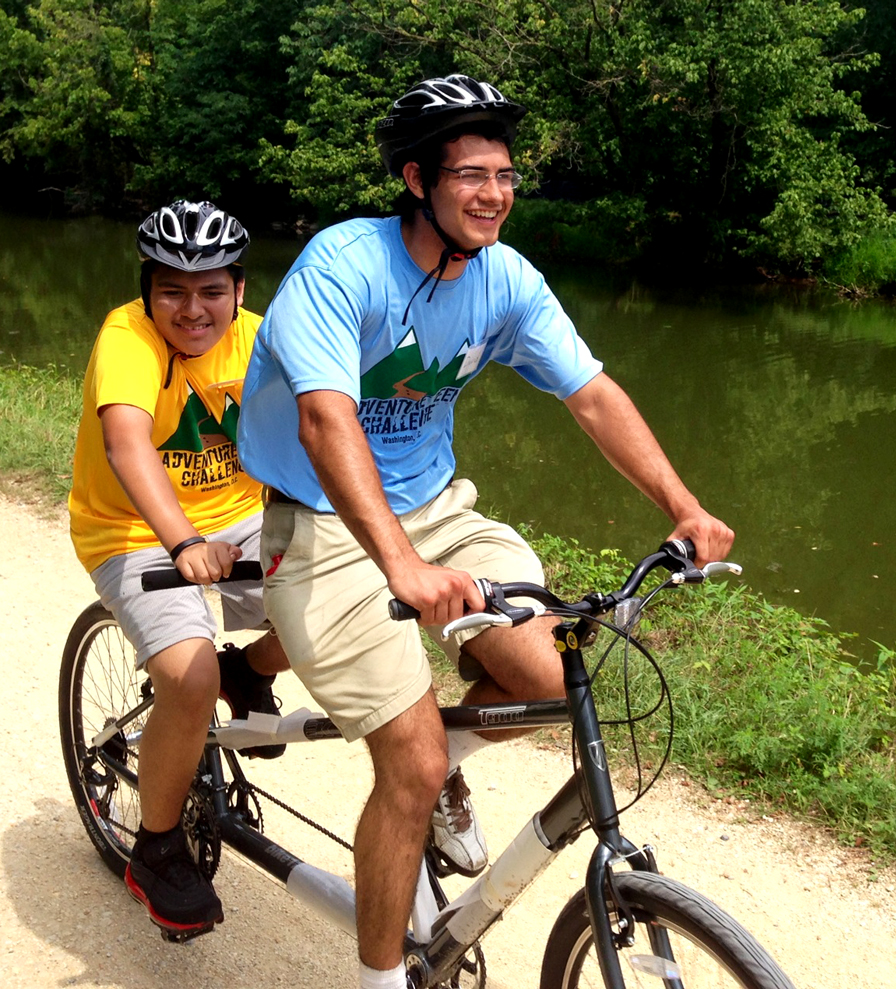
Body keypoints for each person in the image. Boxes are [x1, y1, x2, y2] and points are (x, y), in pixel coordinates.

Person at [238, 74, 734, 989]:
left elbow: (590, 394)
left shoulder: (505, 278)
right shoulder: (343, 265)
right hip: (322, 522)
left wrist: (683, 505)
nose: (494, 194)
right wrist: (400, 565)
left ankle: (443, 770)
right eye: (471, 174)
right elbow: (324, 419)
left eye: (506, 175)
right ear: (417, 180)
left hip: (438, 508)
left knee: (550, 675)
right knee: (410, 762)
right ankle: (384, 975)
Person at [68, 199, 290, 941]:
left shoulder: (260, 338)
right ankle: (157, 848)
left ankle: (247, 671)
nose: (193, 310)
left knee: (339, 603)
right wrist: (184, 540)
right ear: (147, 292)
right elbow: (128, 444)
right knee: (188, 680)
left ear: (240, 289)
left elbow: (316, 426)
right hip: (133, 528)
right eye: (172, 291)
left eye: (212, 291)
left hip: (240, 516)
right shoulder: (126, 337)